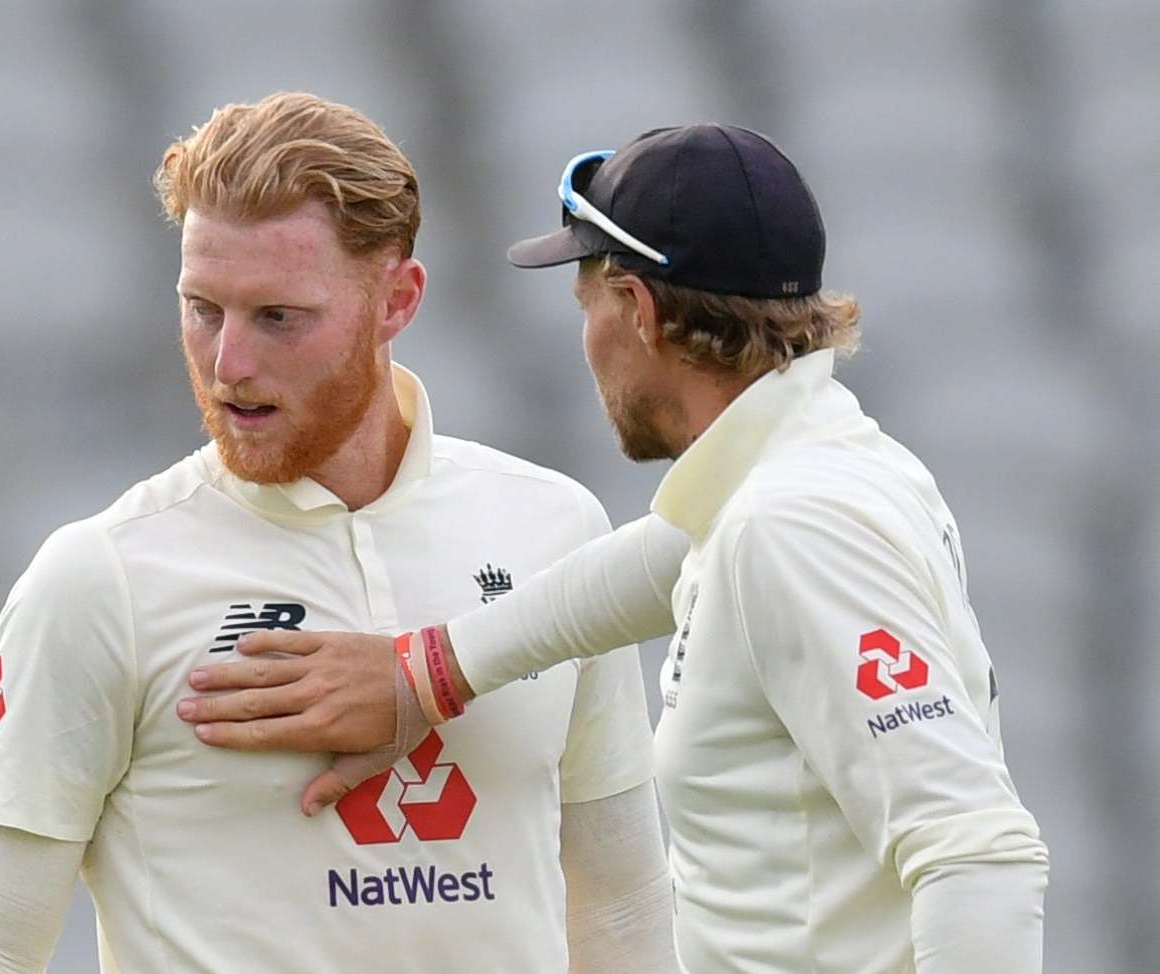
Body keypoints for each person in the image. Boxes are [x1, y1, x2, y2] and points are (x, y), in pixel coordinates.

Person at [179, 124, 1051, 972]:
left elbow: (978, 855)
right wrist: (427, 672)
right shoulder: (828, 467)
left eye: (585, 300)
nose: (586, 336)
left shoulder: (786, 526)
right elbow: (655, 561)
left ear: (635, 310)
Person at [0, 92, 676, 973]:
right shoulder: (97, 578)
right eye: (203, 309)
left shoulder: (554, 528)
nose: (228, 364)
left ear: (397, 301)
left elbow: (620, 908)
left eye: (278, 317)